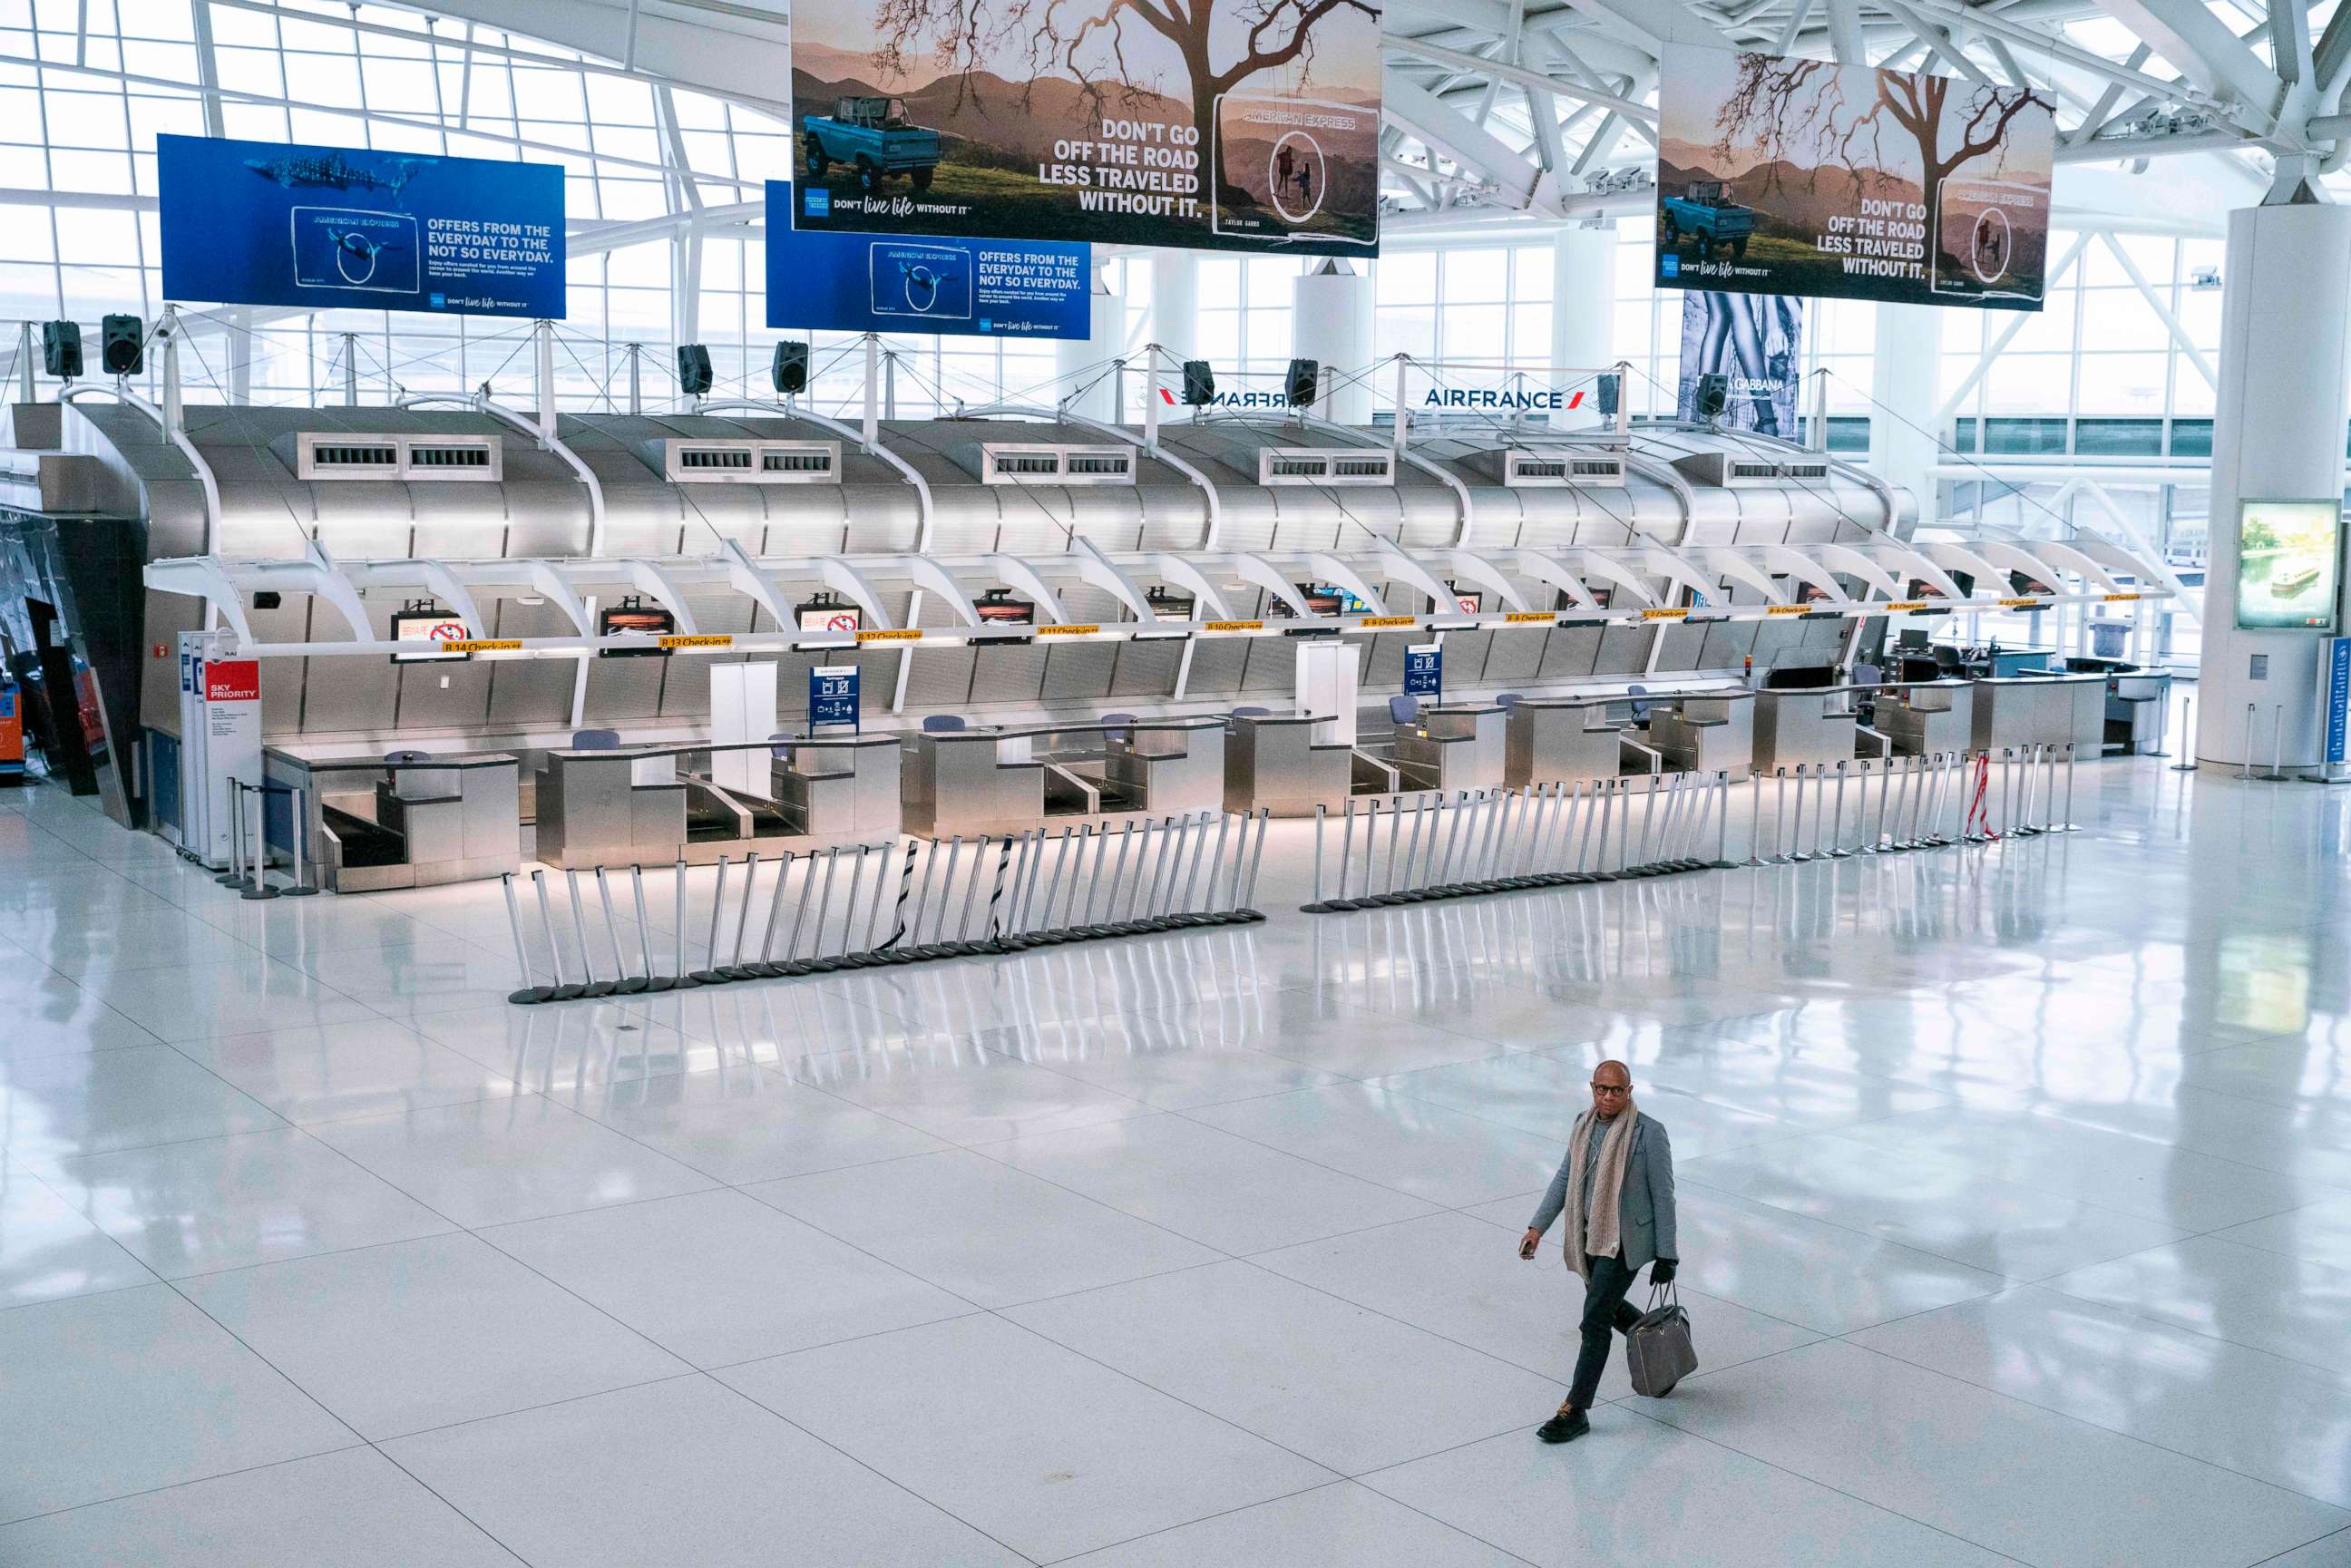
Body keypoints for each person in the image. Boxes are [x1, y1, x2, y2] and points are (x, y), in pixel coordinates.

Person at [1517, 1058, 1678, 1444]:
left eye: (1617, 1090)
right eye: (1602, 1089)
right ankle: (1660, 1361)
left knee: (1594, 1323)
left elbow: (1664, 1195)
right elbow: (1565, 1178)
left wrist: (1667, 1254)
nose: (1608, 1096)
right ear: (1592, 1088)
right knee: (1607, 1308)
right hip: (1588, 1236)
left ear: (1629, 1091)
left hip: (1625, 1243)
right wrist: (1537, 1228)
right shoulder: (1582, 1125)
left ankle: (1575, 1410)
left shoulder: (1648, 1134)